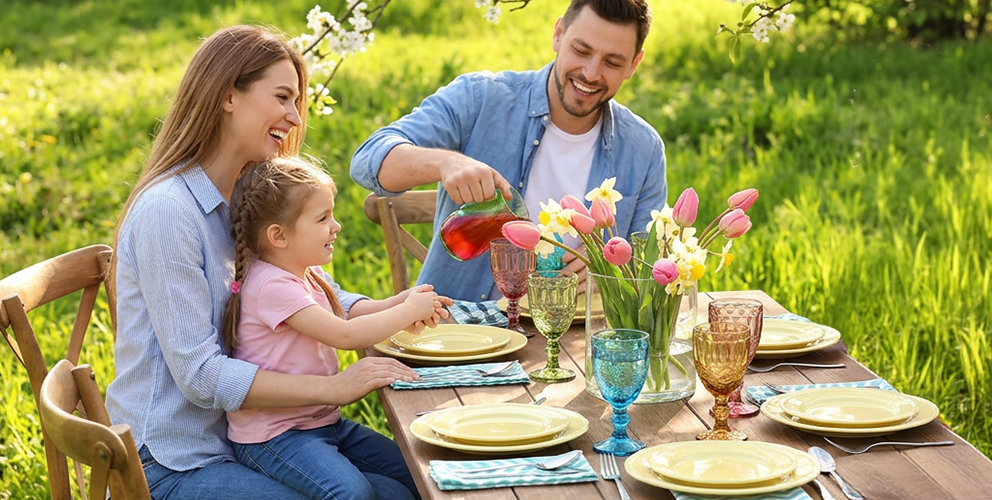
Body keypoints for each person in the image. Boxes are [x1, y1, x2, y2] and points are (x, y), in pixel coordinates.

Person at [105, 25, 439, 500]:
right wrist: (335, 388)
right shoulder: (170, 211)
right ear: (227, 96)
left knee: (410, 485)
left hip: (256, 437)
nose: (294, 116)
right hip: (174, 461)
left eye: (296, 102)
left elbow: (309, 293)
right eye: (282, 97)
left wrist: (387, 306)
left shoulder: (248, 197)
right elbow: (201, 377)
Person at [350, 0, 667, 302]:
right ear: (558, 34)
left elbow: (649, 267)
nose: (591, 73)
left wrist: (609, 270)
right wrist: (445, 163)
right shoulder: (480, 99)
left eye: (612, 62)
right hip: (462, 334)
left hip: (576, 343)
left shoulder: (643, 150)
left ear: (634, 64)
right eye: (580, 50)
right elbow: (369, 160)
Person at [222, 156, 444, 500]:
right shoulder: (270, 285)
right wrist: (406, 313)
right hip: (274, 436)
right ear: (278, 235)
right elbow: (344, 336)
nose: (336, 226)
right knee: (352, 493)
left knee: (417, 472)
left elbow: (347, 314)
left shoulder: (303, 271)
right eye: (323, 218)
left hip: (322, 422)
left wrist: (401, 303)